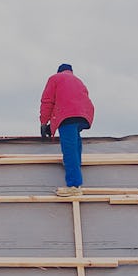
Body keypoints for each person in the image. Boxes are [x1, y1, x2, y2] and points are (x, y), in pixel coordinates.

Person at [39, 63, 95, 196]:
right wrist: (52, 127)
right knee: (75, 145)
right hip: (83, 116)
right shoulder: (78, 81)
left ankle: (74, 186)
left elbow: (48, 101)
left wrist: (43, 123)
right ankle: (76, 170)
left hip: (67, 116)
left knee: (69, 150)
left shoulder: (55, 78)